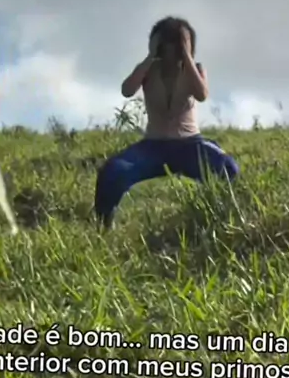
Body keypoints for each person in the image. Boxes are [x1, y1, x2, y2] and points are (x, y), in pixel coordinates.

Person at [94, 16, 239, 227]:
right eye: (166, 45)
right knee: (112, 172)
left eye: (176, 46)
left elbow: (201, 94)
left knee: (227, 167)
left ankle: (224, 219)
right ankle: (103, 226)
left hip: (189, 144)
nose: (171, 53)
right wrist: (150, 56)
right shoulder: (148, 70)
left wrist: (187, 56)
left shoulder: (195, 69)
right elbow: (127, 90)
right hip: (153, 146)